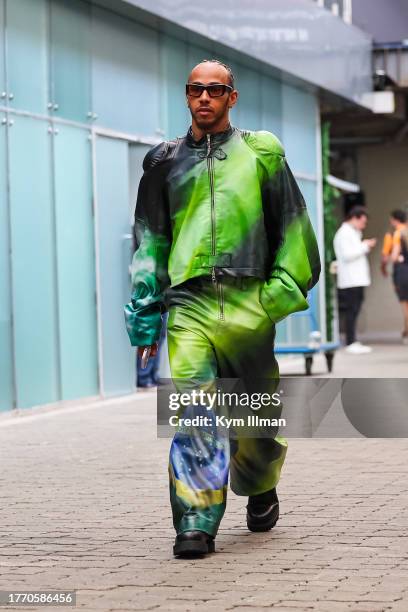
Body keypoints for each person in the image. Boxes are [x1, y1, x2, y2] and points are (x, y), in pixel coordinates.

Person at [124, 59, 320, 557]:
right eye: (195, 89)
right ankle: (196, 519)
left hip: (248, 302)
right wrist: (146, 318)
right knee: (197, 412)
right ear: (186, 96)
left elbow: (293, 229)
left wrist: (271, 300)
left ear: (232, 97)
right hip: (188, 305)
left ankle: (258, 482)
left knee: (254, 418)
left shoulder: (262, 153)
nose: (204, 97)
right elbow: (149, 242)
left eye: (215, 90)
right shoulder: (163, 161)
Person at [333, 206, 376, 354]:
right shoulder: (344, 233)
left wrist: (362, 243)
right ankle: (350, 341)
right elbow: (347, 255)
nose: (364, 225)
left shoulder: (353, 232)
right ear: (355, 218)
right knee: (351, 310)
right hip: (350, 280)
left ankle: (353, 340)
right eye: (363, 222)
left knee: (355, 309)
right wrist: (365, 245)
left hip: (356, 279)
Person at [391, 222, 408, 344]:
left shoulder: (399, 234)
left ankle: (406, 333)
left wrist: (399, 258)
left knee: (405, 308)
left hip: (403, 273)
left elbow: (393, 256)